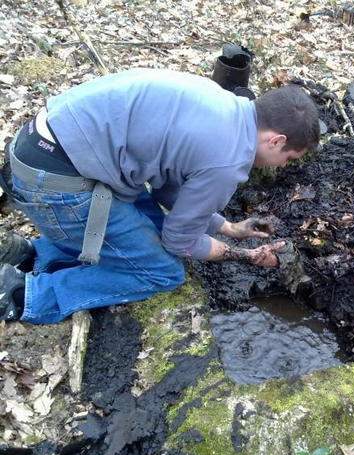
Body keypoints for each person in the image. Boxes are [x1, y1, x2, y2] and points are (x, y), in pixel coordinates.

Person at [0, 69, 320, 324]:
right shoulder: (229, 160)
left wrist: (230, 228)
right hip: (54, 181)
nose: (282, 167)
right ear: (277, 141)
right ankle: (22, 294)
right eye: (289, 158)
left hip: (45, 149)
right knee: (163, 271)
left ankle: (32, 256)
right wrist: (243, 254)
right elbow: (178, 241)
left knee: (147, 227)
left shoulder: (227, 108)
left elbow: (170, 190)